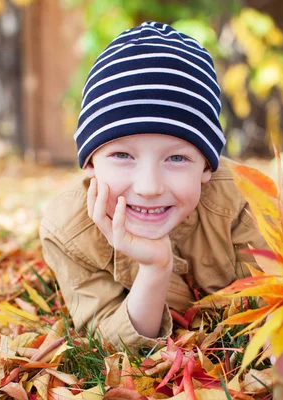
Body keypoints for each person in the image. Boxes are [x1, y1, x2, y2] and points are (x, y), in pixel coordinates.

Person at [39, 21, 267, 353]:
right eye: (121, 155)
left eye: (176, 158)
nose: (148, 187)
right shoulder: (68, 231)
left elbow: (274, 299)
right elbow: (109, 341)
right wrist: (155, 268)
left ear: (207, 165)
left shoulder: (243, 201)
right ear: (89, 163)